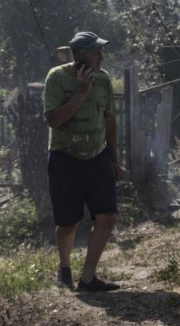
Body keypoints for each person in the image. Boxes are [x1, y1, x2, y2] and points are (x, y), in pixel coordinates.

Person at [43, 30, 124, 291]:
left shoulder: (103, 79)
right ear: (79, 55)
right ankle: (64, 267)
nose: (101, 56)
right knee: (68, 223)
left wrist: (114, 159)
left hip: (98, 156)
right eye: (95, 51)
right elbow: (53, 120)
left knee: (108, 216)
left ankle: (88, 278)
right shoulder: (56, 78)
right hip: (66, 158)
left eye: (100, 51)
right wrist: (81, 93)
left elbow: (109, 119)